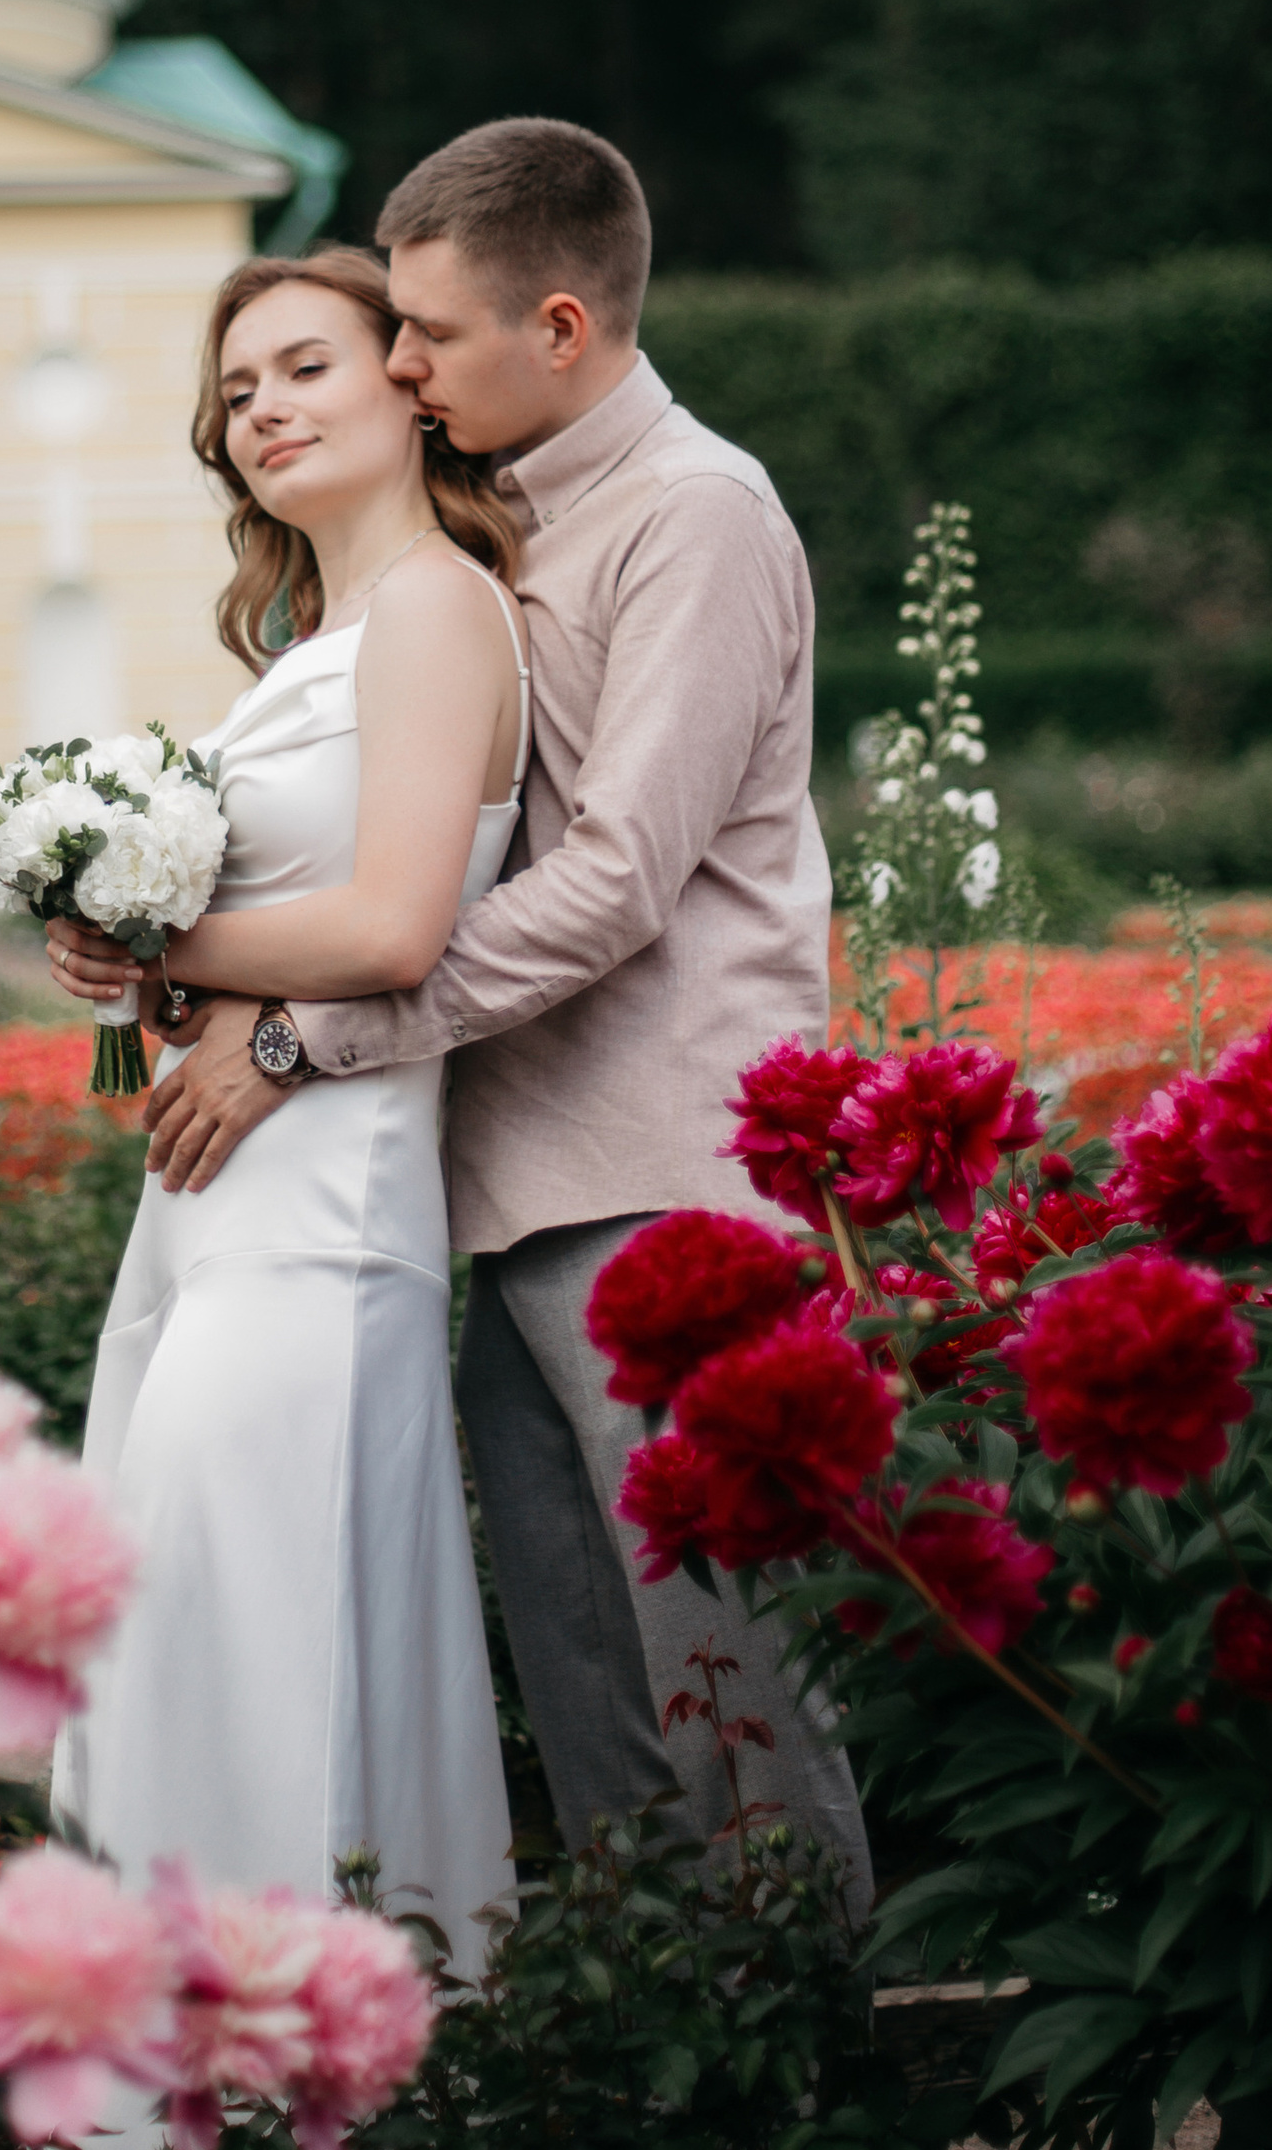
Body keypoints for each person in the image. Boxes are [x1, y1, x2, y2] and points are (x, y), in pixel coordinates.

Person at [64, 117, 869, 1914]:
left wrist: (302, 1037)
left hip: (670, 1187)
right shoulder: (499, 540)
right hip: (506, 1187)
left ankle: (809, 2132)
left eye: (425, 334)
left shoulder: (698, 518)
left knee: (730, 1694)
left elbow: (617, 885)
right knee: (596, 1714)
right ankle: (657, 2113)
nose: (401, 364)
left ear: (562, 329)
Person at [36, 245, 523, 2150]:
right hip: (225, 1227)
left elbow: (404, 918)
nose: (259, 404)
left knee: (258, 1677)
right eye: (233, 383)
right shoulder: (302, 644)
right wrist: (153, 966)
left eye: (304, 363)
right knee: (181, 1670)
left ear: (409, 392)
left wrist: (159, 938)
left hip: (325, 1235)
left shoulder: (433, 610)